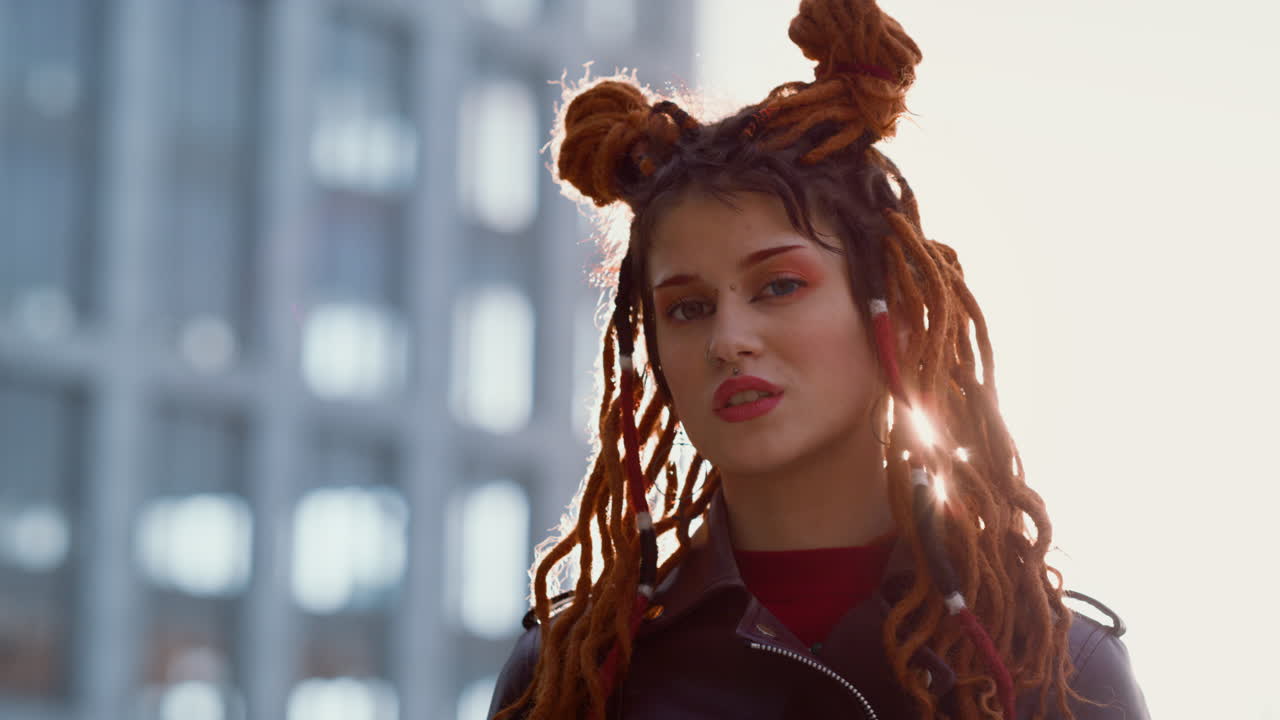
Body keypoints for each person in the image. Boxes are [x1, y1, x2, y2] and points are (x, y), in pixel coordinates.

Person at [488, 0, 1149, 718]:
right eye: (687, 307)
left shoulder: (1054, 665)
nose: (728, 339)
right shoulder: (574, 676)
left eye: (779, 286)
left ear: (888, 313)